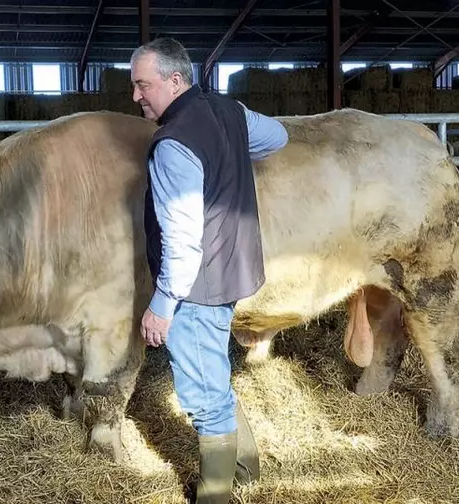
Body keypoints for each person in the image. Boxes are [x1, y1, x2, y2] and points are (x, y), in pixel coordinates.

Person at [130, 38, 289, 503]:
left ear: (174, 80)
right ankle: (247, 468)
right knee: (214, 373)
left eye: (143, 85)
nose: (137, 96)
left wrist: (160, 308)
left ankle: (216, 495)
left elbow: (181, 242)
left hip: (196, 287)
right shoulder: (228, 110)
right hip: (233, 268)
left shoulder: (173, 144)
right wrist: (232, 147)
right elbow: (278, 136)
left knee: (202, 396)